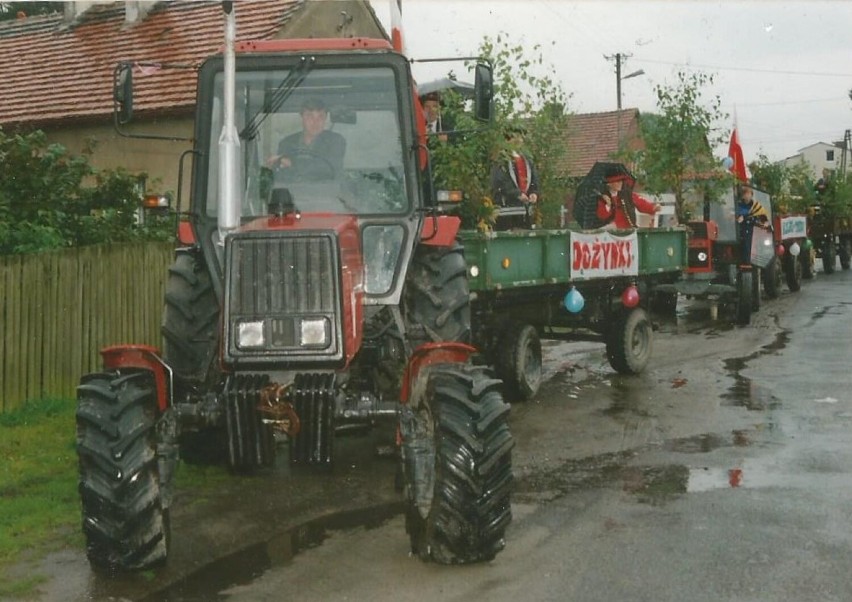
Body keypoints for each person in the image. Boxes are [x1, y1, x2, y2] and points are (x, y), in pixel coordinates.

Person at [266, 98, 346, 181]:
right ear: (302, 117)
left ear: (325, 119)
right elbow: (281, 176)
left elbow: (328, 167)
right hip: (293, 192)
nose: (315, 122)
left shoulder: (335, 141)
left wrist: (292, 163)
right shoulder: (286, 143)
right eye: (309, 116)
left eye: (320, 117)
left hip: (328, 192)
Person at [490, 127, 540, 229]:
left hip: (524, 209)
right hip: (506, 209)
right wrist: (517, 193)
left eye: (520, 137)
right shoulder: (501, 160)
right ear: (507, 140)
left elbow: (534, 179)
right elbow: (500, 181)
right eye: (515, 137)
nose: (519, 140)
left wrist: (533, 192)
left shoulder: (527, 160)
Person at [595, 168, 660, 228]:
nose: (620, 183)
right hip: (612, 233)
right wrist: (608, 205)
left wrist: (652, 208)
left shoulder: (627, 195)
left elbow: (641, 203)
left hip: (628, 231)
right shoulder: (603, 199)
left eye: (621, 181)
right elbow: (602, 217)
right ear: (609, 184)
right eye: (617, 181)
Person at [735, 182, 770, 262]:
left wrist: (765, 222)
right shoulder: (738, 205)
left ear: (752, 194)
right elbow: (734, 214)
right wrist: (738, 218)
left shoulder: (756, 205)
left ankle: (747, 262)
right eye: (745, 194)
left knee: (748, 245)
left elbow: (762, 216)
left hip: (751, 229)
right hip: (739, 228)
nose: (747, 196)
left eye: (748, 194)